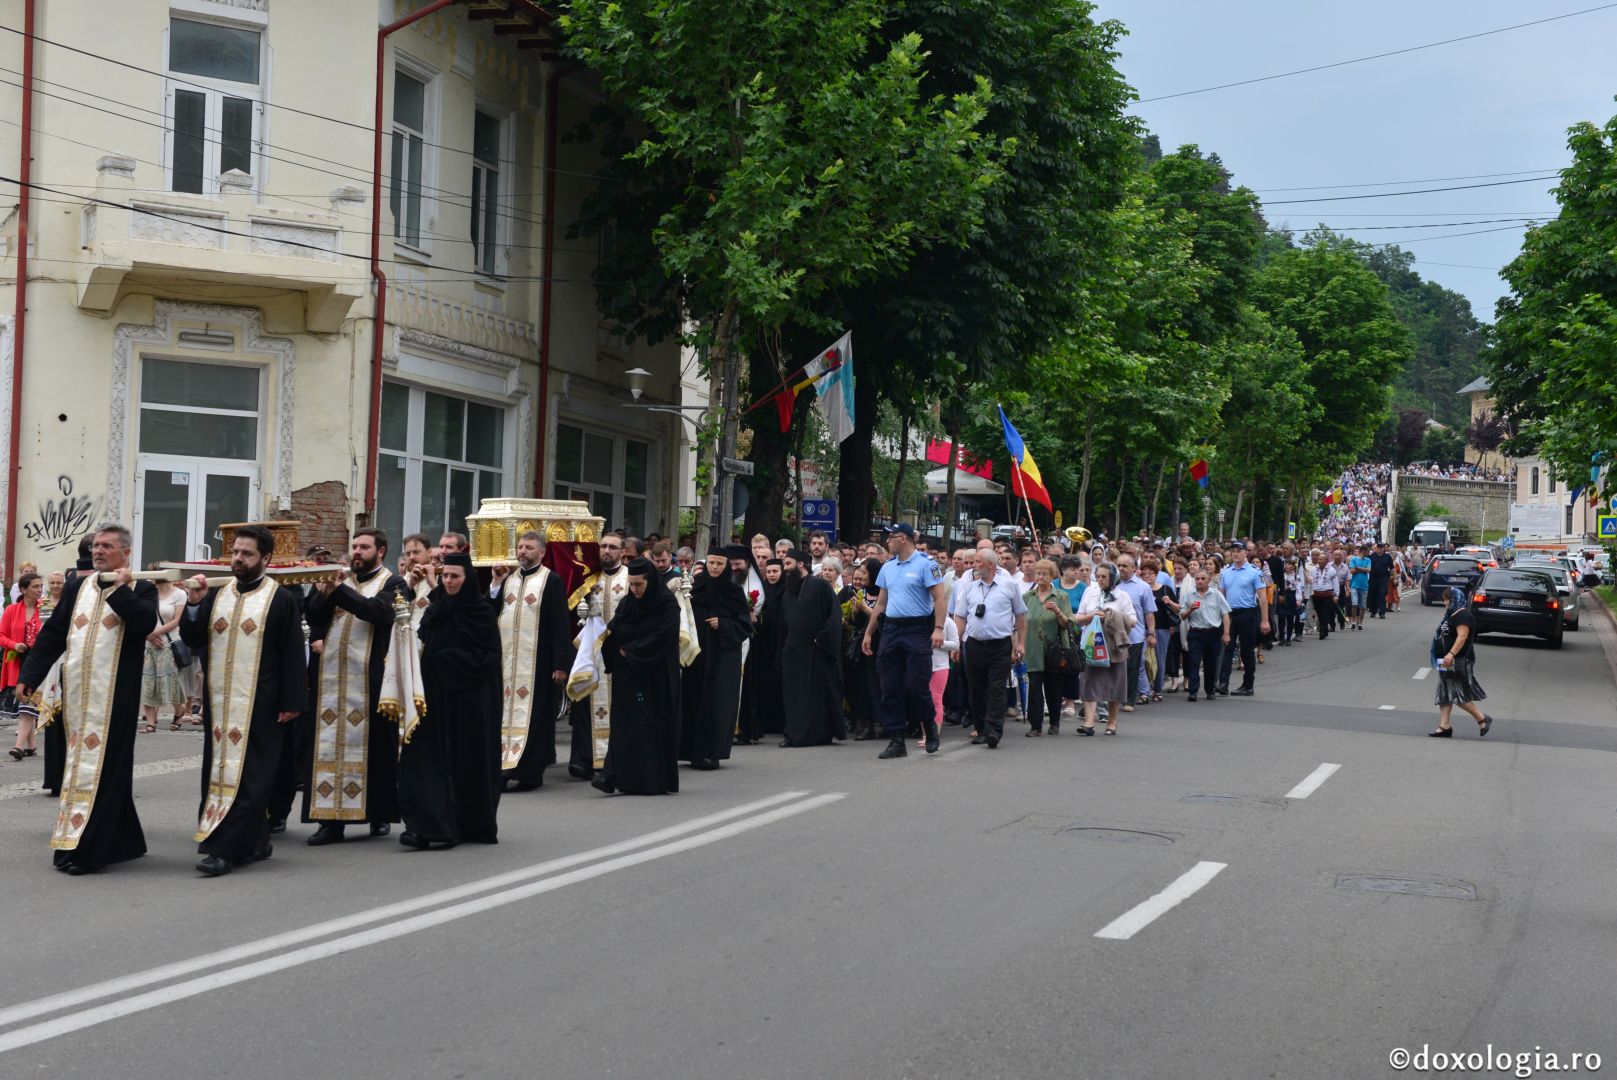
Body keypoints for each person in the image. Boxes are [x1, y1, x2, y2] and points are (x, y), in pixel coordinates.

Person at [18, 525, 159, 874]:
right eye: (96, 545)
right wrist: (30, 675)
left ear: (125, 553)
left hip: (116, 700)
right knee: (81, 769)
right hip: (78, 699)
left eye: (107, 546)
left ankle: (89, 850)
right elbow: (55, 633)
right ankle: (123, 842)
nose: (98, 551)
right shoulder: (77, 586)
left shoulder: (141, 587)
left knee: (107, 771)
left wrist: (118, 590)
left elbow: (145, 624)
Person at [181, 526, 308, 876]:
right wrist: (193, 605)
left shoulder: (279, 598)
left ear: (265, 558)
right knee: (218, 772)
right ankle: (255, 841)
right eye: (235, 552)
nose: (238, 558)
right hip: (221, 705)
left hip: (261, 703)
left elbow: (292, 654)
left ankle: (226, 850)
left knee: (253, 778)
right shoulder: (217, 594)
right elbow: (192, 638)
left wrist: (292, 701)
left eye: (246, 554)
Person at [303, 528, 409, 845]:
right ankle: (329, 822)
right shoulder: (341, 580)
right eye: (354, 546)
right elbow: (314, 617)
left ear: (381, 551)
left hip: (371, 679)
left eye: (364, 547)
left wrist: (337, 591)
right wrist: (323, 592)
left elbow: (378, 613)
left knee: (376, 749)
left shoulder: (394, 583)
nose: (357, 552)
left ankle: (379, 814)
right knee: (327, 748)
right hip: (332, 679)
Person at [398, 552, 503, 848]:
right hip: (435, 696)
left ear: (466, 579)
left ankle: (457, 827)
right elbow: (424, 634)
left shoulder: (481, 612)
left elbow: (488, 657)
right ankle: (427, 825)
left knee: (462, 763)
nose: (449, 581)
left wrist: (449, 660)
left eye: (454, 576)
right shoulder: (438, 606)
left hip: (468, 702)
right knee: (425, 759)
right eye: (445, 576)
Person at [489, 530, 573, 792]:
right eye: (520, 547)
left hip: (538, 664)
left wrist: (560, 663)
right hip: (507, 664)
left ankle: (528, 774)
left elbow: (560, 622)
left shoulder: (551, 580)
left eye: (529, 547)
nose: (523, 551)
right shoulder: (509, 579)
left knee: (535, 718)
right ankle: (503, 767)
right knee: (504, 715)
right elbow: (490, 613)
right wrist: (495, 584)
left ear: (542, 552)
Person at [592, 558, 681, 795]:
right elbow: (614, 629)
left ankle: (652, 780)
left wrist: (632, 650)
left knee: (650, 726)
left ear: (650, 581)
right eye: (631, 584)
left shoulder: (667, 605)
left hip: (655, 675)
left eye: (639, 584)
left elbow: (664, 637)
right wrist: (597, 637)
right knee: (623, 724)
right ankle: (612, 775)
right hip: (628, 674)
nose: (635, 589)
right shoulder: (628, 603)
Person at [864, 524, 948, 758]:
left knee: (916, 685)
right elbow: (881, 604)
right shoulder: (888, 567)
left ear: (904, 539)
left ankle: (929, 727)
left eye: (891, 537)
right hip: (891, 629)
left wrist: (938, 628)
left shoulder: (926, 564)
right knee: (889, 687)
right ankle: (897, 740)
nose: (887, 541)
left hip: (917, 629)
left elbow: (939, 598)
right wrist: (869, 633)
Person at [679, 547, 752, 770]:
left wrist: (724, 624)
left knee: (717, 703)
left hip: (722, 656)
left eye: (719, 563)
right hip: (697, 654)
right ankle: (691, 751)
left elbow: (744, 626)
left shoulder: (734, 592)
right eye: (711, 562)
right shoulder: (695, 587)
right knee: (694, 699)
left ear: (726, 565)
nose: (714, 567)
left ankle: (712, 752)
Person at [951, 548, 1026, 750]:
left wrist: (1020, 643)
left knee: (996, 688)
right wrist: (956, 642)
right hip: (974, 644)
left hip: (1000, 645)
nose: (974, 566)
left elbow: (1020, 615)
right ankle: (981, 728)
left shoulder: (1009, 585)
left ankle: (993, 730)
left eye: (978, 562)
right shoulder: (970, 588)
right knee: (976, 688)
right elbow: (960, 617)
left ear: (990, 565)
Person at [572, 531, 630, 780]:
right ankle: (585, 759)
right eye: (603, 546)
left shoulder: (630, 578)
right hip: (592, 652)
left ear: (622, 552)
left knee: (619, 706)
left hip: (620, 652)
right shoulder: (589, 578)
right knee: (586, 704)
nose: (606, 550)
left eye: (612, 547)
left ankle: (615, 760)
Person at [778, 549, 846, 747]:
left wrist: (821, 639)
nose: (785, 568)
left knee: (816, 694)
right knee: (795, 695)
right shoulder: (788, 589)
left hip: (817, 650)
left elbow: (834, 616)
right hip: (794, 651)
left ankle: (819, 734)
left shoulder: (819, 585)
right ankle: (794, 734)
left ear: (801, 564)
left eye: (788, 564)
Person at [1073, 563, 1135, 735]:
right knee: (1088, 681)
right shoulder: (1090, 592)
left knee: (1115, 682)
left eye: (1104, 577)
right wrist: (1091, 616)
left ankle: (1112, 722)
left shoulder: (1122, 596)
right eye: (1098, 576)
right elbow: (1078, 617)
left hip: (1114, 644)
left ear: (1113, 578)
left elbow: (1133, 621)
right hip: (1092, 642)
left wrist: (1110, 615)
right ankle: (1089, 722)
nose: (1100, 580)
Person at [1429, 587, 1495, 738]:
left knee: (1458, 694)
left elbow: (1462, 636)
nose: (1444, 603)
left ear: (1454, 599)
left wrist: (1451, 654)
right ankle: (1444, 726)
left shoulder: (1463, 615)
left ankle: (1482, 719)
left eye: (1446, 599)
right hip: (1446, 660)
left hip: (1458, 659)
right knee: (1444, 692)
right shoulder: (1451, 614)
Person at [736, 557, 786, 744]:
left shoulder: (786, 591)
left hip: (780, 643)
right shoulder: (763, 590)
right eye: (769, 572)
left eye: (775, 571)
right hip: (762, 644)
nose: (772, 575)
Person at [1022, 559, 1073, 736]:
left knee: (1053, 687)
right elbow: (1020, 624)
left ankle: (1054, 722)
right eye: (1038, 573)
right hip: (1032, 648)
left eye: (1045, 573)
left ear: (1052, 576)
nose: (1041, 576)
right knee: (1034, 688)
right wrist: (1017, 646)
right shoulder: (1027, 597)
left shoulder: (1061, 596)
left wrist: (1057, 612)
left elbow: (1068, 623)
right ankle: (1035, 726)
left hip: (1054, 649)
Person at [1216, 542, 1269, 697]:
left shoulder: (1254, 572)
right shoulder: (1226, 572)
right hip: (1230, 613)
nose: (1235, 554)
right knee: (1227, 648)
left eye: (1239, 551)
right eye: (1233, 551)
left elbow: (1262, 597)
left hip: (1248, 613)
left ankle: (1248, 685)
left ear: (1245, 552)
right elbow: (1220, 595)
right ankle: (1223, 683)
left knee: (1246, 650)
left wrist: (1264, 620)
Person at [3, 572, 43, 759]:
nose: (40, 590)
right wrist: (14, 645)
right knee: (26, 699)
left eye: (41, 586)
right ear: (24, 589)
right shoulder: (12, 610)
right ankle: (32, 745)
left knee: (28, 699)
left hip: (39, 660)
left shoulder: (44, 608)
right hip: (19, 658)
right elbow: (1, 635)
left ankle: (18, 746)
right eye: (35, 586)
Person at [843, 559, 884, 741]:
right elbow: (855, 622)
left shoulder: (884, 594)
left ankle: (882, 723)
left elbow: (882, 619)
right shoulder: (861, 593)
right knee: (862, 687)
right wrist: (854, 611)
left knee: (877, 686)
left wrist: (864, 608)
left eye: (865, 573)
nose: (862, 577)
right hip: (861, 647)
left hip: (879, 644)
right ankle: (864, 725)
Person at [1112, 554, 1157, 711]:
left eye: (1125, 566)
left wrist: (1151, 634)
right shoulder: (1112, 585)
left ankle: (1129, 701)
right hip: (1112, 635)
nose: (1121, 569)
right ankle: (1113, 698)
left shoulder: (1143, 587)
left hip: (1134, 635)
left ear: (1133, 568)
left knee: (1132, 669)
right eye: (1119, 565)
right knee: (1114, 668)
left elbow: (1149, 613)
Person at [1181, 568, 1232, 702]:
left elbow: (1225, 614)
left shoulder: (1216, 594)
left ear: (1209, 580)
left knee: (1211, 663)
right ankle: (1193, 692)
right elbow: (1182, 616)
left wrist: (1226, 633)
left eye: (1203, 578)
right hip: (1196, 632)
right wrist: (1190, 609)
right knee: (1194, 662)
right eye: (1197, 579)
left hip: (1213, 632)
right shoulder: (1189, 595)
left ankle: (1210, 690)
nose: (1200, 581)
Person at [1347, 544, 1371, 631]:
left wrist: (1358, 568)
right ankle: (1353, 622)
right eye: (1368, 551)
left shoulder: (1368, 560)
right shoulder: (1354, 559)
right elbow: (1351, 571)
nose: (1369, 553)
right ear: (1363, 551)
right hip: (1354, 585)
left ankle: (1360, 623)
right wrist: (1362, 569)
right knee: (1354, 603)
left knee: (1362, 606)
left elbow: (1369, 570)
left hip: (1364, 585)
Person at [1367, 542, 1393, 620]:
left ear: (1383, 548)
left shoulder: (1387, 557)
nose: (1380, 549)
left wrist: (1394, 578)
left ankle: (1382, 613)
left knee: (1382, 595)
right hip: (1373, 579)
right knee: (1373, 596)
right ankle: (1373, 611)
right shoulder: (1371, 557)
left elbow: (1392, 568)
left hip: (1383, 579)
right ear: (1376, 548)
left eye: (1381, 547)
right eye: (1378, 547)